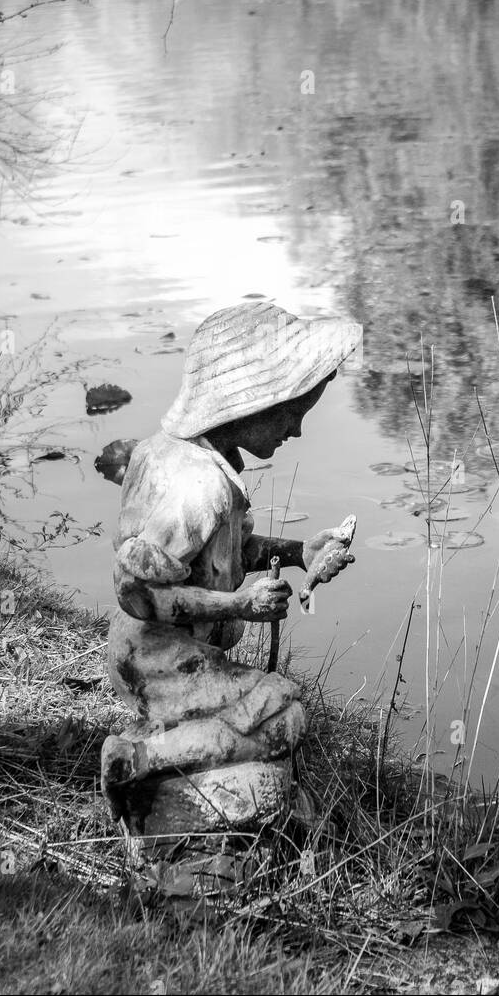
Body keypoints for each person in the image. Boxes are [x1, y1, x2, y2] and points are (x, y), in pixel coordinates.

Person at [101, 300, 361, 837]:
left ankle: (203, 776)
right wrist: (239, 605)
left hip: (178, 651)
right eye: (293, 411)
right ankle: (138, 760)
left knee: (276, 711)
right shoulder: (196, 486)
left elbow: (228, 556)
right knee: (284, 714)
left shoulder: (205, 462)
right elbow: (137, 593)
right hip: (155, 659)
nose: (296, 428)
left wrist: (299, 553)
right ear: (252, 403)